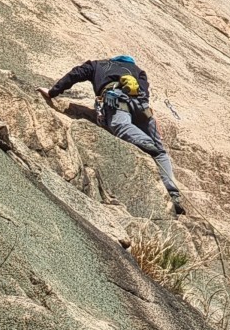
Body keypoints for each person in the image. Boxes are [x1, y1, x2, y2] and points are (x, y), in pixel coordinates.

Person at [38, 54, 186, 216]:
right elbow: (144, 93)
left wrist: (53, 92)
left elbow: (75, 74)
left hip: (116, 99)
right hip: (141, 107)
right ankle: (173, 194)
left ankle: (145, 144)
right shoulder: (138, 71)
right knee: (161, 151)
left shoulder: (97, 65)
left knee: (120, 126)